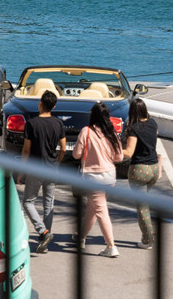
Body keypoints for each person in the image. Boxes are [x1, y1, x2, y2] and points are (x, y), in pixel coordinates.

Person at [73, 101, 122, 257]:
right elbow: (119, 157)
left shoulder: (86, 131)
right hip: (110, 177)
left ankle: (111, 246)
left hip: (92, 178)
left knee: (100, 211)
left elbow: (76, 154)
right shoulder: (111, 132)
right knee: (93, 209)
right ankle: (81, 237)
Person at [20, 90, 66, 254]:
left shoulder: (32, 123)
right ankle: (44, 241)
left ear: (40, 103)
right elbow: (63, 147)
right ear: (54, 106)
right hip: (52, 167)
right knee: (48, 204)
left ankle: (43, 231)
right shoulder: (58, 123)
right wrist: (57, 162)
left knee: (28, 201)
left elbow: (26, 150)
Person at [120, 97, 161, 249]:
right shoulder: (153, 123)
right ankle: (149, 233)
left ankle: (148, 239)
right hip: (154, 168)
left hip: (139, 170)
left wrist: (113, 151)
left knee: (142, 207)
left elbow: (129, 152)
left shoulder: (134, 128)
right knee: (145, 204)